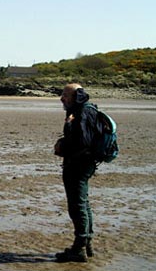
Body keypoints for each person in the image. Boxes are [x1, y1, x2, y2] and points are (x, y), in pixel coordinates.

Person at [54, 83, 99, 263]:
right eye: (62, 94)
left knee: (77, 206)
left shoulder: (82, 112)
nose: (62, 98)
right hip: (83, 164)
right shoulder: (84, 110)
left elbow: (82, 141)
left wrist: (62, 146)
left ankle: (79, 248)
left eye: (65, 94)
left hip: (79, 165)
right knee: (83, 203)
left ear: (77, 96)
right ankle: (86, 243)